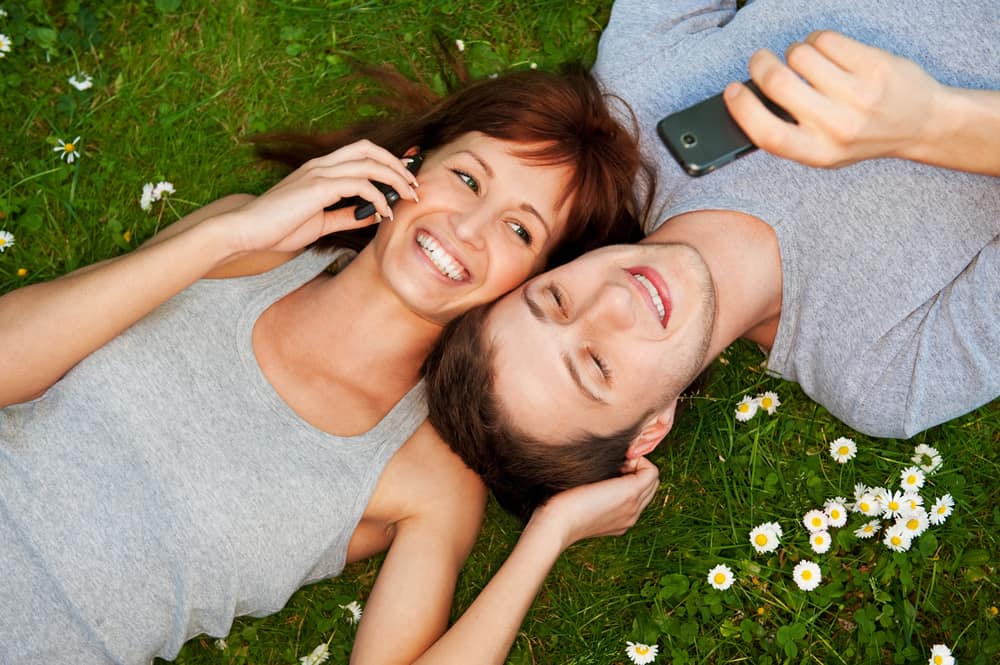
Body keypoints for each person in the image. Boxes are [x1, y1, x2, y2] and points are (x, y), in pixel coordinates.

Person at [0, 66, 657, 664]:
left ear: (529, 283)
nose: (469, 227)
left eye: (520, 230)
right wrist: (224, 237)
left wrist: (549, 534)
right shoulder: (244, 246)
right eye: (467, 178)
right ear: (411, 164)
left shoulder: (428, 473)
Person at [423, 0, 1000, 521]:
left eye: (556, 300)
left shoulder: (637, 100)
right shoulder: (885, 375)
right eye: (598, 365)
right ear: (651, 429)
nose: (613, 300)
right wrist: (934, 125)